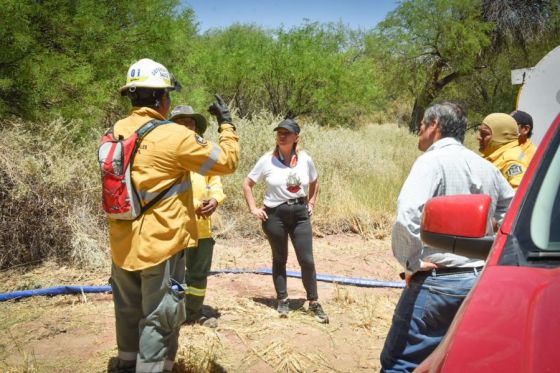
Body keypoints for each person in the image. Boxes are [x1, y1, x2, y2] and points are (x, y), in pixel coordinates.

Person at [108, 58, 239, 373]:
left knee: (127, 312)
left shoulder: (114, 133)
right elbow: (228, 162)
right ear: (161, 99)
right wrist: (226, 124)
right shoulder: (172, 135)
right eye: (167, 94)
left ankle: (126, 365)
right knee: (160, 318)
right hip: (160, 245)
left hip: (122, 245)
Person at [380, 102, 514, 372]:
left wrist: (411, 262)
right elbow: (513, 210)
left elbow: (408, 214)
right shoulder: (485, 166)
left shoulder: (431, 161)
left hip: (438, 282)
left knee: (400, 363)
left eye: (421, 127)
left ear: (435, 127)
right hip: (478, 282)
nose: (419, 133)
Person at [242, 118, 328, 324]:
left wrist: (313, 202)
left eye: (287, 133)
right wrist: (253, 208)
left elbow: (315, 181)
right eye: (279, 132)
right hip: (275, 215)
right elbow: (247, 184)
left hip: (300, 213)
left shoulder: (305, 159)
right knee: (279, 258)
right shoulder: (266, 160)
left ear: (296, 137)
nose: (282, 135)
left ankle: (314, 302)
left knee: (306, 259)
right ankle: (283, 300)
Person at [169, 105, 224, 328]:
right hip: (175, 227)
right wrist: (193, 206)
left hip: (202, 227)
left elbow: (215, 182)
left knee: (198, 275)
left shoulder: (204, 155)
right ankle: (173, 315)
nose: (185, 126)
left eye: (189, 123)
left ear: (196, 127)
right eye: (179, 122)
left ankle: (193, 312)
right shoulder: (167, 153)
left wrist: (215, 200)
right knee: (174, 275)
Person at [478, 112, 528, 190]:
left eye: (484, 134)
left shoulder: (512, 162)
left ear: (500, 136)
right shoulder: (495, 155)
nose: (479, 137)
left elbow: (519, 194)